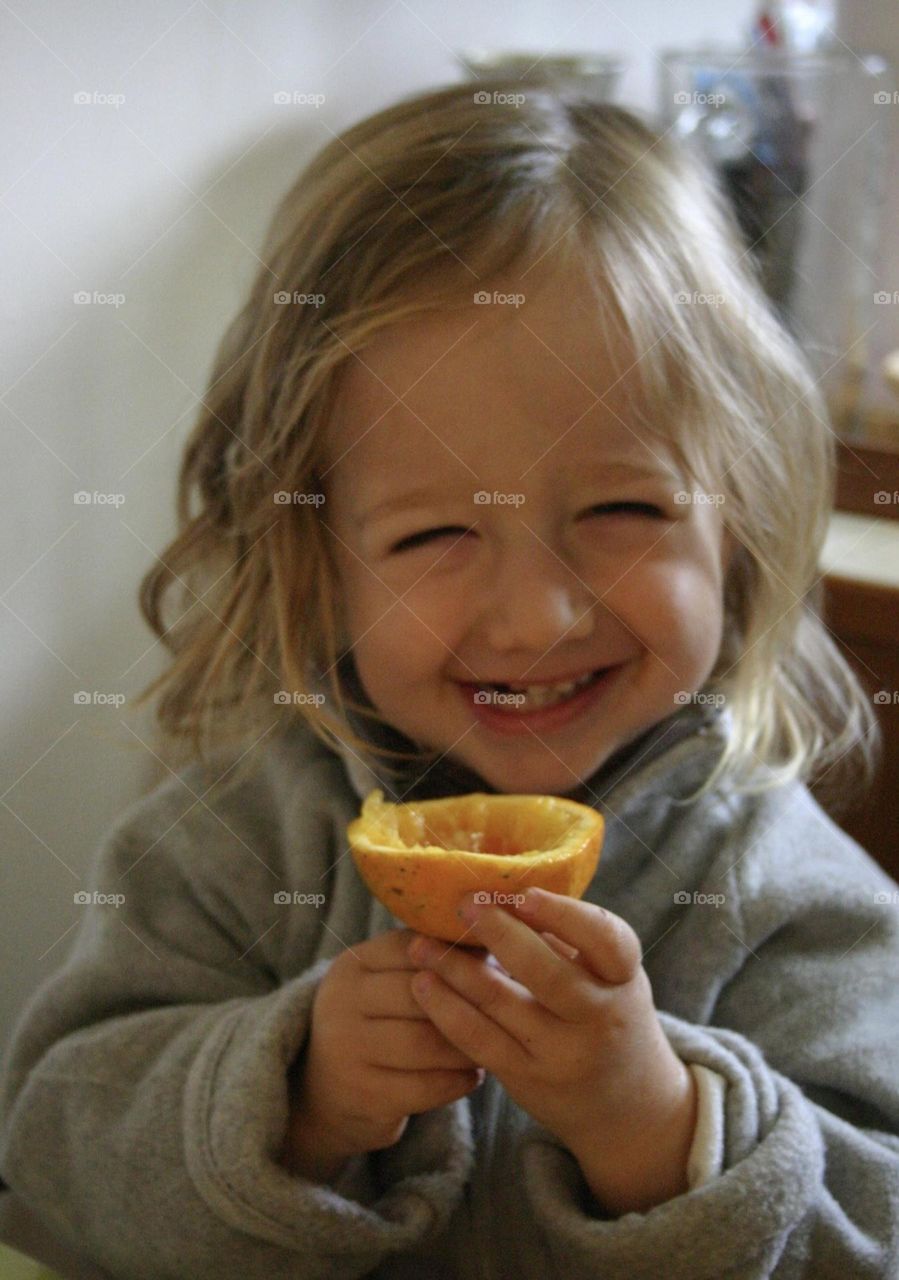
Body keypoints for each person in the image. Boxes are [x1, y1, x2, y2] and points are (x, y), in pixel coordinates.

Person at [2, 79, 898, 1280]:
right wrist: (296, 1093)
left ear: (735, 528)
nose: (534, 615)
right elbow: (53, 1157)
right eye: (431, 537)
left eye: (624, 507)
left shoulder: (783, 890)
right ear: (314, 556)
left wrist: (661, 1128)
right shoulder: (232, 841)